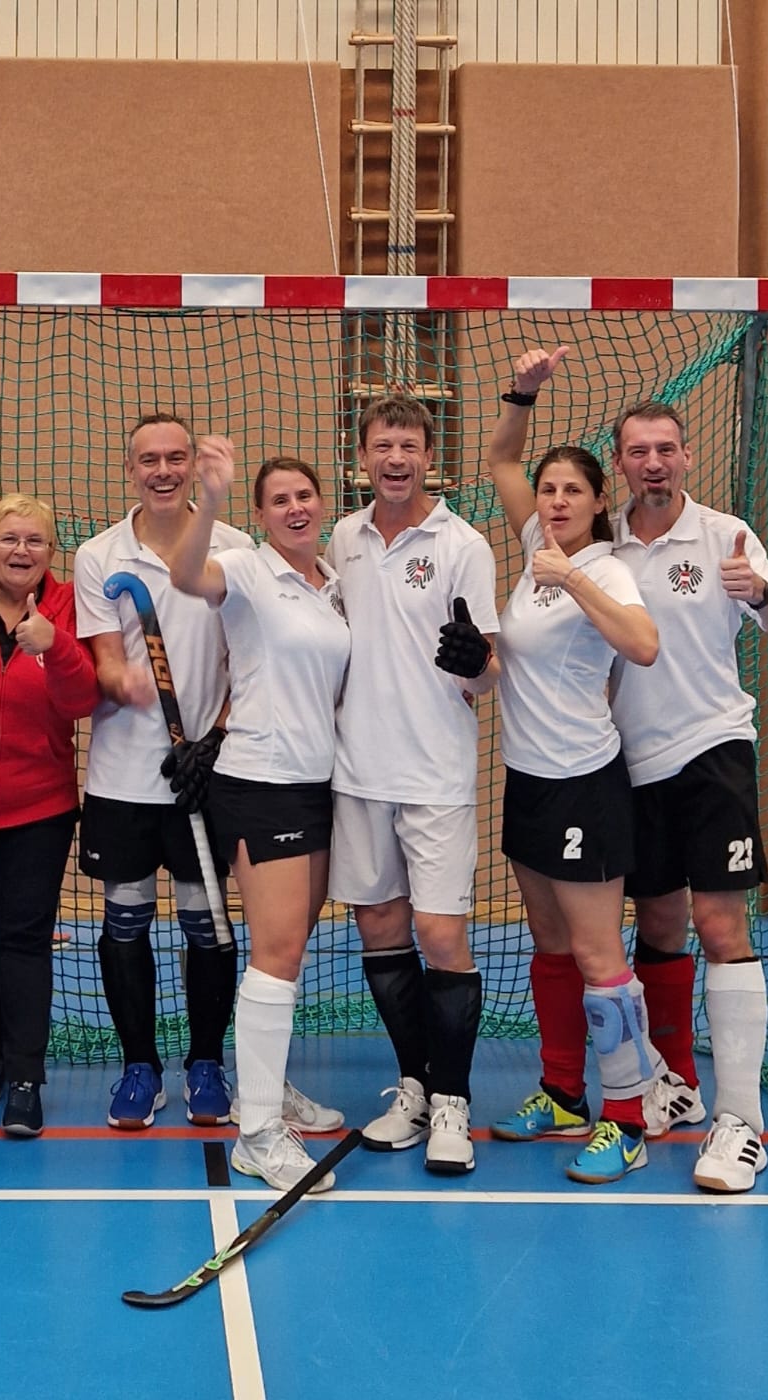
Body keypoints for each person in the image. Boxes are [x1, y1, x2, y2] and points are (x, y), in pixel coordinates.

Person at [72, 413, 340, 1136]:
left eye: (175, 457)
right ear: (130, 469)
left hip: (207, 777)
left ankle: (206, 1064)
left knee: (206, 922)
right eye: (148, 459)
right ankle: (139, 1066)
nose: (162, 470)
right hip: (123, 774)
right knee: (125, 917)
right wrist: (125, 682)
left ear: (192, 465)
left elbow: (243, 660)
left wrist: (214, 737)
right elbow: (104, 660)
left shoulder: (236, 548)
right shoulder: (99, 555)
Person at [604, 389, 768, 1193]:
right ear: (621, 462)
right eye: (639, 451)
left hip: (712, 750)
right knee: (657, 923)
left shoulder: (726, 535)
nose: (654, 463)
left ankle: (740, 1122)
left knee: (721, 923)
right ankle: (677, 1085)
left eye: (666, 449)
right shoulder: (603, 545)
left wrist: (759, 592)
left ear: (686, 455)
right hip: (631, 762)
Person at [482, 347, 664, 1185]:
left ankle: (626, 1117)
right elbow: (501, 460)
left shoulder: (608, 568)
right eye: (549, 490)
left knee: (598, 956)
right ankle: (562, 1092)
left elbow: (644, 646)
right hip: (528, 779)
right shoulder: (535, 542)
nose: (555, 501)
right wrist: (522, 393)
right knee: (549, 945)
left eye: (571, 491)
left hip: (586, 783)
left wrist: (573, 579)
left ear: (598, 503)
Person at [169, 442, 352, 1193]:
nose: (295, 508)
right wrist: (208, 499)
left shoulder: (332, 584)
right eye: (279, 500)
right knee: (274, 953)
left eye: (304, 495)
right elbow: (186, 576)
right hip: (259, 782)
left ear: (322, 503)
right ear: (261, 515)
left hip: (317, 785)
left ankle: (261, 1090)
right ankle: (257, 1136)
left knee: (290, 948)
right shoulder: (245, 569)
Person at [325, 396, 502, 1174]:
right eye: (382, 445)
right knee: (379, 928)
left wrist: (478, 662)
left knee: (440, 933)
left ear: (431, 455)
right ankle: (416, 1088)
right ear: (361, 455)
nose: (395, 458)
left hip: (435, 772)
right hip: (358, 770)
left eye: (408, 446)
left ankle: (454, 1102)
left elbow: (488, 671)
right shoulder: (344, 538)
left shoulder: (464, 545)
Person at [0, 494, 99, 1137]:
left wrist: (55, 646)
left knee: (21, 937)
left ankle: (27, 1078)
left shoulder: (68, 607)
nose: (21, 551)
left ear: (51, 553)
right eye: (9, 539)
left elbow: (82, 699)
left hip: (41, 807)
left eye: (35, 541)